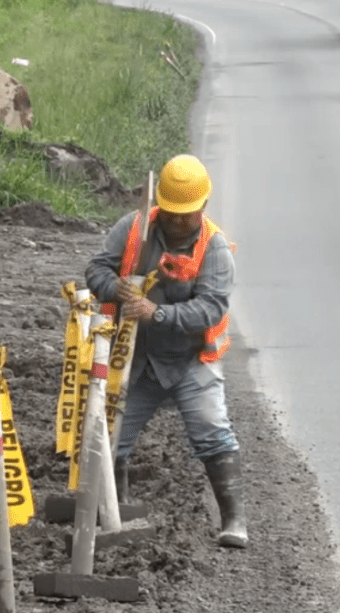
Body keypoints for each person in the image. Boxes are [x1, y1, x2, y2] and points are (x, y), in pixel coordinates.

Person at [85, 154, 248, 548]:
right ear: (161, 204)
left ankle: (234, 521)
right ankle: (113, 516)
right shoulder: (134, 228)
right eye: (171, 213)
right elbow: (96, 270)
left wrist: (157, 314)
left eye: (186, 215)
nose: (176, 222)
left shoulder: (215, 248)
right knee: (111, 438)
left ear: (202, 207)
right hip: (137, 362)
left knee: (211, 432)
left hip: (191, 361)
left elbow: (211, 307)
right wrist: (115, 288)